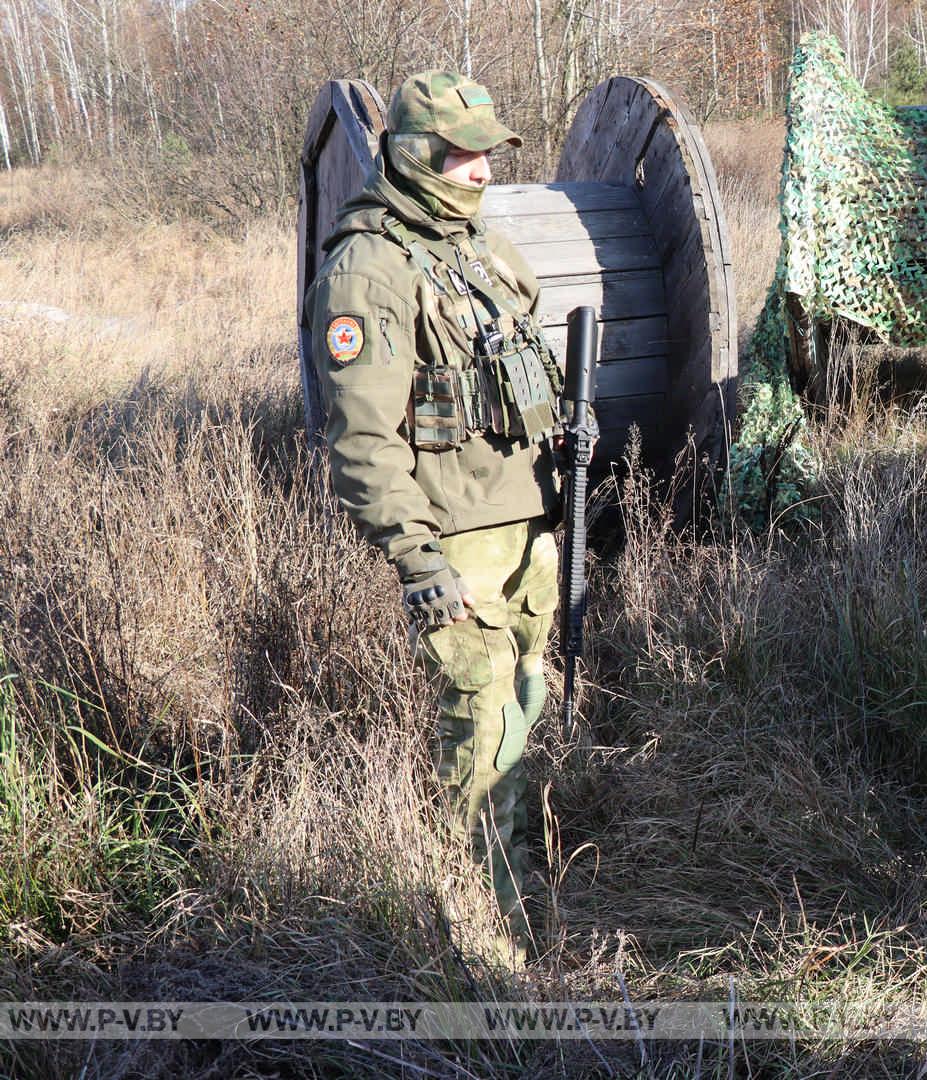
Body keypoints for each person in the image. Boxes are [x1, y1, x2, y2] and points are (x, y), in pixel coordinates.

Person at [303, 71, 570, 961]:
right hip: (458, 546)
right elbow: (364, 440)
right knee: (481, 734)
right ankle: (484, 947)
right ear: (416, 156)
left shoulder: (477, 247)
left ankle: (524, 886)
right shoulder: (369, 266)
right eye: (465, 154)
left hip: (529, 527)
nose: (485, 170)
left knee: (527, 705)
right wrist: (420, 564)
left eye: (490, 152)